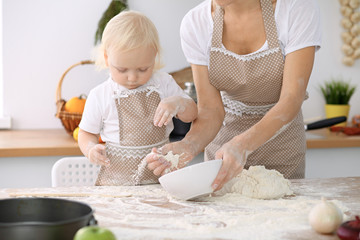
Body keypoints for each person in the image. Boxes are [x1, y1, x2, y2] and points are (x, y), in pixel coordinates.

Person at [146, 0, 321, 191]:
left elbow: (291, 98)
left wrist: (243, 144)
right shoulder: (196, 22)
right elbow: (210, 109)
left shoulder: (296, 9)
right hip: (223, 151)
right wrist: (189, 145)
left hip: (281, 147)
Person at [78, 10, 197, 186]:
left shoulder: (163, 83)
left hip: (160, 177)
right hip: (117, 182)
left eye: (143, 69)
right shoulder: (100, 95)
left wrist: (179, 103)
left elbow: (192, 114)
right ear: (106, 58)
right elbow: (86, 133)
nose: (132, 78)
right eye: (122, 70)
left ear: (154, 56)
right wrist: (90, 149)